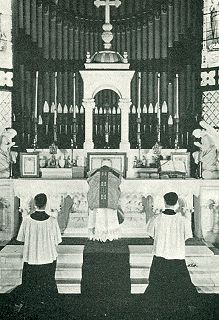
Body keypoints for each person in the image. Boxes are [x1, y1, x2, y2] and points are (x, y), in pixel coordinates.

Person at [143, 192, 198, 311]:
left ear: (164, 202)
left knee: (156, 283)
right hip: (177, 256)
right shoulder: (184, 220)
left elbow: (151, 234)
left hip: (160, 255)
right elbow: (187, 237)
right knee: (182, 283)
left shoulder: (156, 218)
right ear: (177, 203)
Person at [16, 193, 62, 308]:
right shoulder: (52, 220)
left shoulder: (26, 220)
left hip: (31, 257)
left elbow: (21, 238)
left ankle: (31, 304)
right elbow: (57, 240)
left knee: (30, 283)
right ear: (46, 204)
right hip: (48, 257)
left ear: (35, 204)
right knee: (48, 282)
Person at [87, 159, 124, 242]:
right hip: (111, 203)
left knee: (98, 217)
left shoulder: (93, 173)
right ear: (110, 165)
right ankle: (111, 236)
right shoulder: (116, 174)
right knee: (109, 217)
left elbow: (90, 186)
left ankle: (98, 236)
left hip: (96, 203)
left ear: (101, 165)